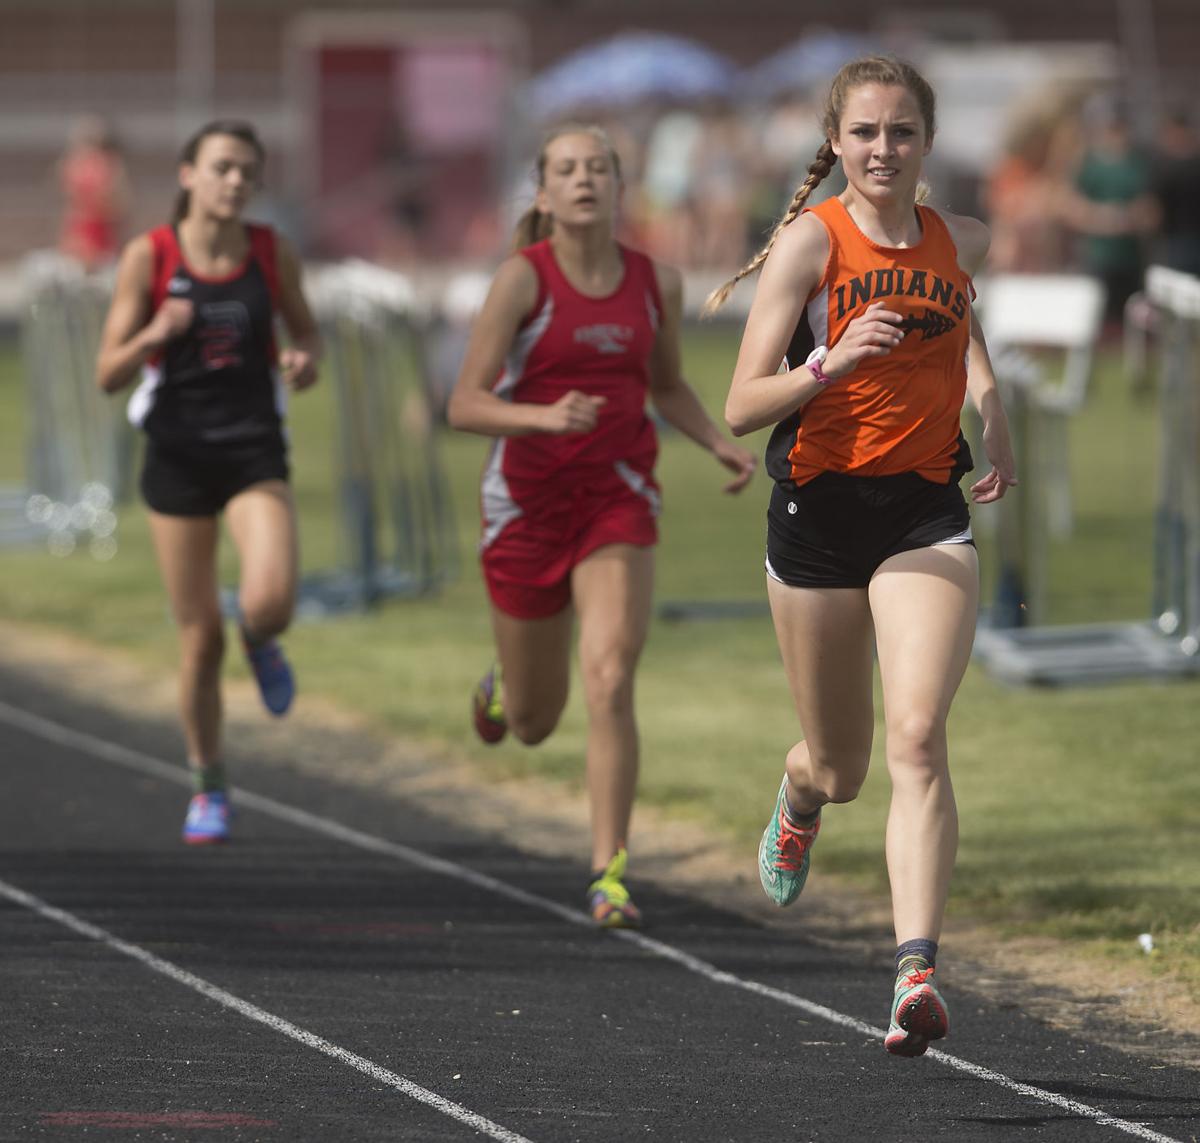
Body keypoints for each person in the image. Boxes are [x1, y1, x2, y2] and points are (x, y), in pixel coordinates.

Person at [705, 56, 1016, 1056]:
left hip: (925, 510)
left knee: (918, 736)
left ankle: (914, 972)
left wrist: (988, 397)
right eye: (866, 134)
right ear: (835, 143)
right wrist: (829, 361)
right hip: (818, 514)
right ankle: (799, 798)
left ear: (928, 142)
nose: (884, 151)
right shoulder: (809, 245)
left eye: (903, 133)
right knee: (842, 766)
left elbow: (956, 316)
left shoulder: (959, 237)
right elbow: (743, 403)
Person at [447, 123, 757, 929]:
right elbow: (464, 403)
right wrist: (545, 417)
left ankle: (608, 870)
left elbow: (666, 384)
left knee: (612, 675)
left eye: (599, 168)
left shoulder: (658, 282)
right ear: (544, 194)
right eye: (566, 169)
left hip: (617, 497)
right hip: (526, 503)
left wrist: (719, 443)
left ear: (621, 186)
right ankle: (503, 685)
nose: (584, 179)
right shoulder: (522, 280)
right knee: (533, 721)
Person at [95, 121, 320, 845]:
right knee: (199, 640)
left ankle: (262, 638)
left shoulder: (269, 251)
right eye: (223, 167)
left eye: (248, 171)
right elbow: (108, 373)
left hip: (253, 448)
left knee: (274, 600)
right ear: (188, 174)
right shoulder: (149, 255)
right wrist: (157, 332)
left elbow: (306, 332)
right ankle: (209, 783)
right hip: (179, 457)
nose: (236, 181)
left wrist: (301, 361)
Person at [57, 115, 131, 270]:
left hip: (101, 229)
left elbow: (119, 204)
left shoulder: (109, 165)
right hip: (82, 229)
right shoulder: (75, 164)